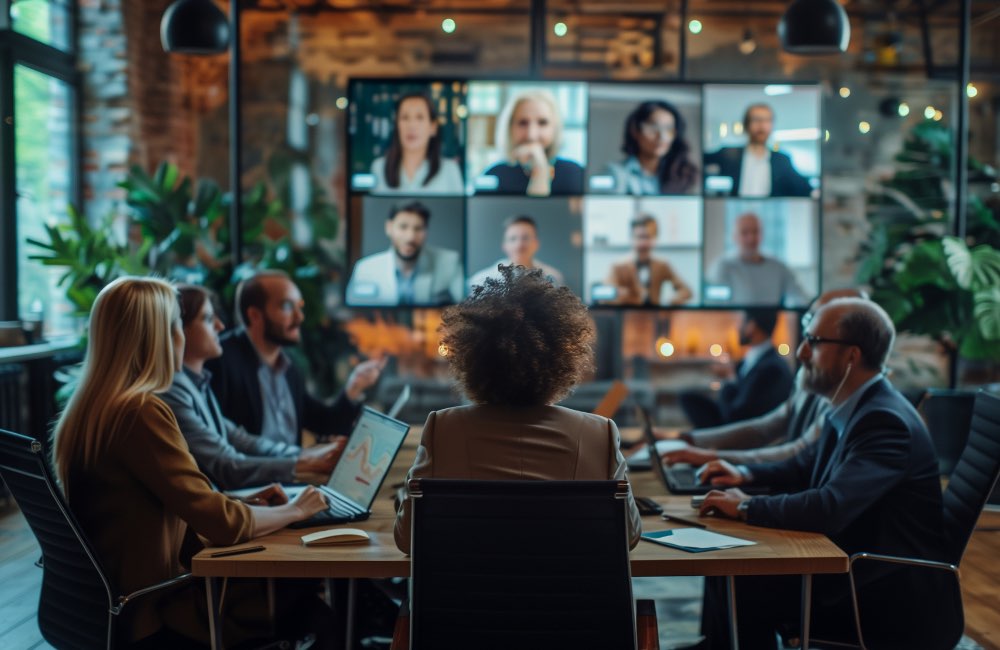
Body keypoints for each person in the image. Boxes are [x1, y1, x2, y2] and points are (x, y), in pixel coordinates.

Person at [50, 277, 332, 647]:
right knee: (316, 600)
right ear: (160, 337)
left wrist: (243, 504)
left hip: (106, 607)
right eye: (176, 327)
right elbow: (222, 523)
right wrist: (295, 511)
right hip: (160, 608)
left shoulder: (89, 408)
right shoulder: (139, 411)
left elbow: (168, 503)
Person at [695, 298, 963, 649]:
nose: (802, 353)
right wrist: (743, 473)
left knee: (741, 573)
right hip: (854, 564)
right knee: (729, 560)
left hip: (879, 591)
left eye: (814, 342)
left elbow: (830, 506)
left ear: (851, 356)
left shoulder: (884, 421)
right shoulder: (855, 405)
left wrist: (746, 507)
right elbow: (805, 464)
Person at [394, 265, 641, 553]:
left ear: (472, 359)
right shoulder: (599, 433)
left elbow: (406, 539)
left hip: (468, 596)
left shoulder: (443, 427)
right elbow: (629, 536)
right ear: (562, 358)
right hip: (567, 596)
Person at [161, 285, 346, 490]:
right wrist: (306, 462)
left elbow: (240, 439)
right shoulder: (173, 387)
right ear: (177, 330)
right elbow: (227, 465)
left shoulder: (198, 381)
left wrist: (308, 455)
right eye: (207, 319)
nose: (220, 326)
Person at [659, 289, 866, 467]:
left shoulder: (848, 393)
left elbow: (797, 452)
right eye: (808, 323)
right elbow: (767, 426)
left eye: (817, 334)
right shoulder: (809, 374)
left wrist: (710, 457)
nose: (802, 351)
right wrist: (688, 440)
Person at [207, 270, 384, 447]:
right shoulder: (220, 359)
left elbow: (325, 423)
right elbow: (218, 444)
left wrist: (354, 386)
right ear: (255, 315)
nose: (300, 317)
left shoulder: (289, 364)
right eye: (287, 306)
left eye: (299, 306)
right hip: (254, 473)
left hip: (292, 472)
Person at [678, 308, 793, 429]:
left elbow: (737, 413)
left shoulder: (772, 368)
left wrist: (729, 377)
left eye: (741, 322)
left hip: (743, 427)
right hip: (735, 416)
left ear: (751, 326)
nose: (737, 328)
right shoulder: (754, 358)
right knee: (688, 398)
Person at [346, 201, 464, 306]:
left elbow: (463, 311)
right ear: (389, 228)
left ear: (426, 231)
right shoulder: (365, 269)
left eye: (418, 229)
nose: (410, 237)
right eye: (403, 227)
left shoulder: (450, 262)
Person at [478, 89, 584, 196]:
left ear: (555, 128)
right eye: (523, 123)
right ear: (510, 127)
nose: (531, 135)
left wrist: (541, 172)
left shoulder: (576, 175)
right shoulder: (493, 176)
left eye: (542, 123)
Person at [703, 102, 812, 197]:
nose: (762, 126)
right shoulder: (728, 155)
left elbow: (804, 189)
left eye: (767, 120)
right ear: (746, 125)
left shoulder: (782, 160)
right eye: (756, 120)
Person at [706, 212, 810, 307]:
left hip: (773, 325)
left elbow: (799, 297)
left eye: (755, 232)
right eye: (745, 232)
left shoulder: (778, 267)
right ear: (734, 236)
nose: (751, 238)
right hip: (732, 326)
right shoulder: (722, 267)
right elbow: (715, 306)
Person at [370, 92, 464, 195]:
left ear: (433, 127)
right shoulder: (379, 167)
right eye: (405, 118)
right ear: (397, 126)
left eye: (419, 118)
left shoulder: (450, 170)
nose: (411, 125)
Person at [604, 100, 699, 195]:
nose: (662, 137)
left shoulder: (683, 174)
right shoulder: (615, 172)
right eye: (653, 127)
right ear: (635, 130)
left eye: (668, 129)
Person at [602, 214, 692, 305]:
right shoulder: (618, 266)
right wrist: (619, 296)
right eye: (640, 237)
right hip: (627, 317)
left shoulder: (662, 265)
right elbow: (604, 298)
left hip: (654, 317)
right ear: (632, 238)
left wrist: (669, 303)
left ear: (655, 238)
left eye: (648, 237)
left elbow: (686, 291)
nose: (643, 242)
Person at [468, 215, 564, 288]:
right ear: (504, 245)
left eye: (525, 238)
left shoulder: (554, 278)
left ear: (536, 244)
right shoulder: (480, 280)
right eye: (513, 239)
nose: (519, 245)